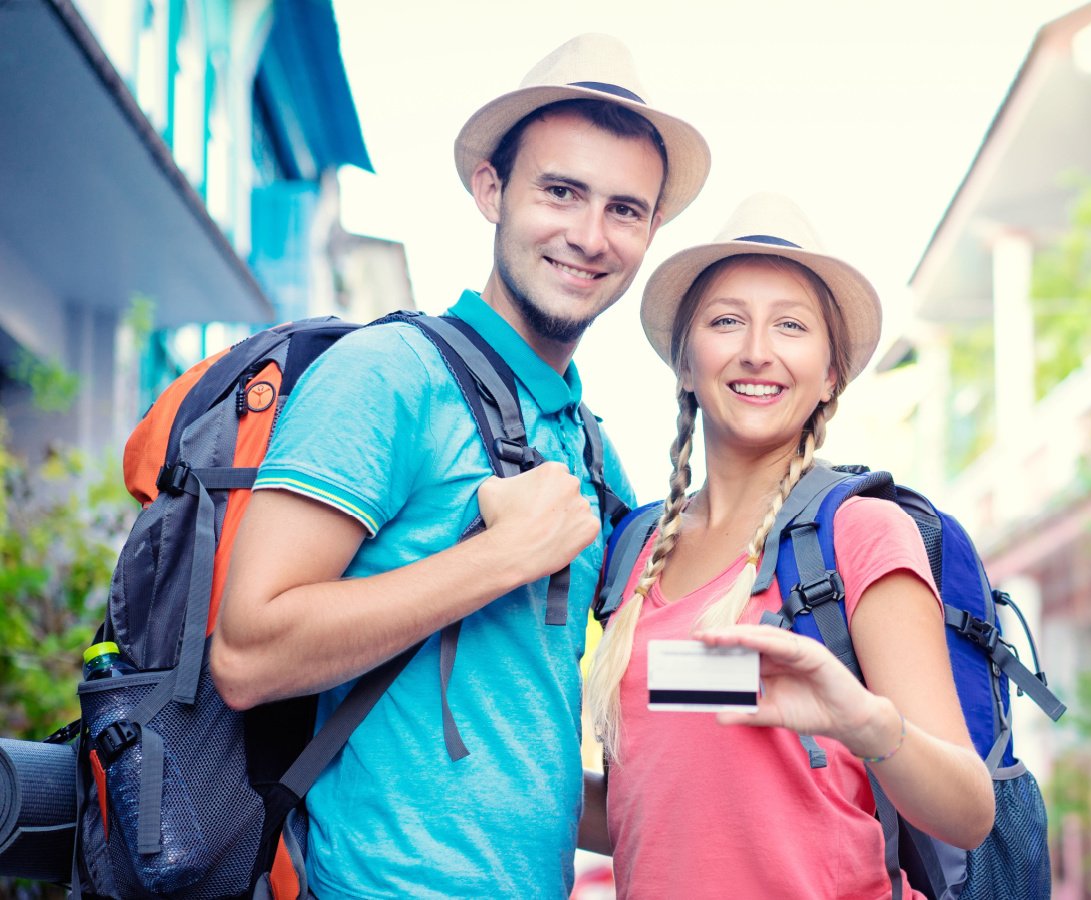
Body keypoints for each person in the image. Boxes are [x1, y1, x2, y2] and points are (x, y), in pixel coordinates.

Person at [209, 33, 709, 899]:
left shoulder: (590, 449)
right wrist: (498, 559)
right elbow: (248, 653)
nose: (589, 236)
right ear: (492, 191)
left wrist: (816, 709)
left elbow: (575, 723)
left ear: (651, 230)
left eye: (625, 210)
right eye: (561, 191)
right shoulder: (390, 374)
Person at [579, 193, 995, 899]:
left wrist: (865, 723)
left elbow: (967, 811)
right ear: (686, 361)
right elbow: (655, 806)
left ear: (831, 373)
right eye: (726, 321)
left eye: (791, 326)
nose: (757, 351)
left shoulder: (859, 535)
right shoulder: (634, 555)